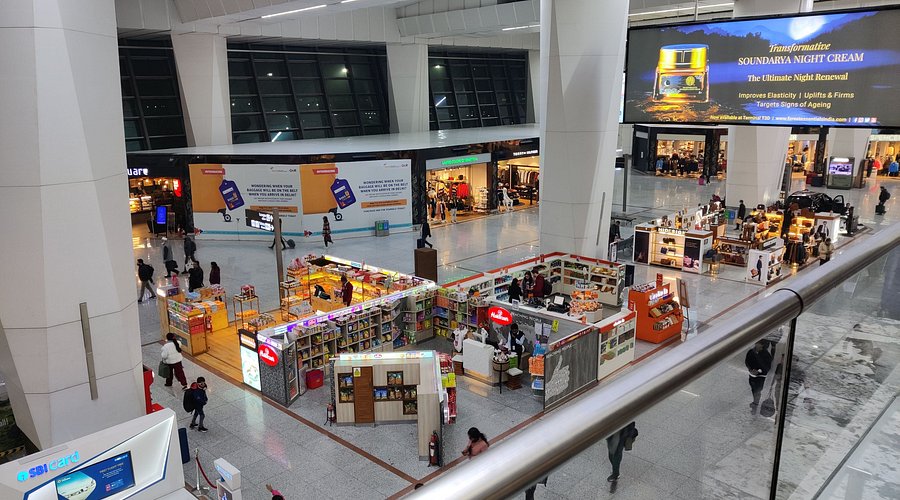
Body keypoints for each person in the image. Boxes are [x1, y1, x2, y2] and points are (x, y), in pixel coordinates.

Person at [745, 340, 773, 409]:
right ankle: (755, 401)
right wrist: (750, 369)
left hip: (761, 376)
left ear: (762, 345)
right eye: (756, 343)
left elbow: (767, 367)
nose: (756, 344)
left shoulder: (766, 355)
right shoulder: (751, 352)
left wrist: (759, 371)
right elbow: (747, 361)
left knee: (758, 390)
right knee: (753, 388)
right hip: (752, 374)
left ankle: (756, 403)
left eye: (758, 343)